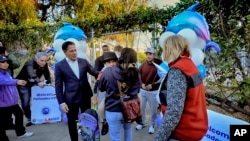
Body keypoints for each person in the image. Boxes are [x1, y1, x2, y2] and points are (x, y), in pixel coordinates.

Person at [155, 35, 208, 141]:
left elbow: (174, 110)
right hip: (195, 129)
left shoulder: (178, 70)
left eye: (164, 49)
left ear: (169, 49)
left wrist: (159, 138)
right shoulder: (190, 65)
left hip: (183, 132)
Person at [55, 41, 98, 141]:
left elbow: (94, 72)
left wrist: (104, 73)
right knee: (72, 122)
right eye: (71, 51)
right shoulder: (60, 66)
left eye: (75, 50)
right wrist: (61, 102)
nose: (74, 53)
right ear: (65, 52)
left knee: (87, 120)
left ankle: (87, 138)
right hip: (70, 98)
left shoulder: (83, 62)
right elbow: (58, 86)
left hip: (85, 96)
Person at [98, 48, 140, 141]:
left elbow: (101, 88)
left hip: (112, 109)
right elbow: (137, 91)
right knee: (128, 130)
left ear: (121, 57)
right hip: (129, 109)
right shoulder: (136, 72)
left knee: (115, 137)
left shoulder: (108, 71)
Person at [0, 55, 34, 141]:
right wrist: (16, 81)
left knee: (19, 114)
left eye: (7, 62)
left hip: (12, 102)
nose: (6, 64)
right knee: (2, 122)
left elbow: (10, 81)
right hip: (3, 103)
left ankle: (20, 133)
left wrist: (17, 81)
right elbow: (3, 81)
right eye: (3, 62)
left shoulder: (6, 73)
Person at [16, 52, 51, 126]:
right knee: (26, 102)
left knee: (38, 99)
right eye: (42, 60)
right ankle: (30, 117)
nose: (44, 62)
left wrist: (49, 82)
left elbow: (47, 73)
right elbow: (31, 74)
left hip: (33, 83)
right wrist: (38, 82)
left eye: (45, 61)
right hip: (23, 84)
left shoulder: (44, 64)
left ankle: (40, 115)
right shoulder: (30, 64)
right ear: (36, 59)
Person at [136, 47, 160, 134]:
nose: (148, 56)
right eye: (147, 54)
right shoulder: (142, 65)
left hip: (153, 91)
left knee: (153, 110)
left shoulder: (158, 65)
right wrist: (141, 84)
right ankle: (143, 123)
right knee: (141, 108)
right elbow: (138, 77)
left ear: (154, 55)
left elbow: (161, 78)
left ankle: (152, 125)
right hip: (143, 91)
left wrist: (152, 85)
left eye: (150, 54)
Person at [96, 51, 118, 135]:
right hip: (109, 95)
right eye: (109, 62)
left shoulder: (119, 70)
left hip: (120, 96)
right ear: (105, 63)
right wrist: (95, 95)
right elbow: (98, 85)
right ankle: (105, 122)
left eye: (113, 61)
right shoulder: (102, 72)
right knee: (101, 109)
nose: (112, 64)